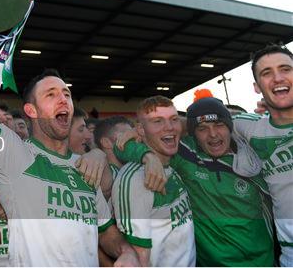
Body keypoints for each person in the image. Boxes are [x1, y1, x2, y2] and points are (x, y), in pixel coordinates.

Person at [0, 46, 138, 267]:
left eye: (67, 94)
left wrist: (126, 251)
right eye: (51, 94)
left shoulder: (85, 167)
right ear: (31, 111)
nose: (63, 99)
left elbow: (105, 232)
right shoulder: (15, 155)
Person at [116, 97, 274, 266]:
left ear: (230, 128)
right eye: (202, 129)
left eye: (219, 125)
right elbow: (121, 147)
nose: (213, 134)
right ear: (193, 133)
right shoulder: (186, 154)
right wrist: (147, 155)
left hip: (263, 261)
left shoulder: (254, 158)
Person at [112, 96, 196, 267]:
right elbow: (138, 258)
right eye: (157, 121)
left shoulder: (172, 165)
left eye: (173, 120)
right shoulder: (135, 179)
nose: (169, 127)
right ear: (141, 130)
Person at [233, 43, 293, 267]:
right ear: (257, 87)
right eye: (267, 73)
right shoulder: (249, 127)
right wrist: (140, 145)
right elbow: (185, 124)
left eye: (285, 69)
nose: (277, 78)